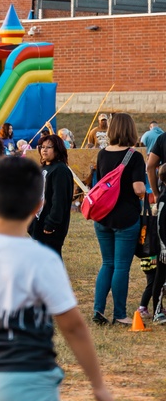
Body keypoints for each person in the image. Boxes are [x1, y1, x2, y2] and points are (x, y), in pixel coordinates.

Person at [0, 156, 117, 401]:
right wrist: (98, 385)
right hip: (27, 378)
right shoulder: (43, 259)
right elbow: (73, 326)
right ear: (38, 205)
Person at [91, 112, 144, 326]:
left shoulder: (102, 154)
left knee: (107, 263)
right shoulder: (135, 156)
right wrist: (141, 194)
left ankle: (98, 309)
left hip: (102, 216)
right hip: (126, 217)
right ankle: (120, 314)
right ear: (130, 130)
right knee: (122, 266)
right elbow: (138, 188)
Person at [31, 134, 74, 257]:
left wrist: (51, 222)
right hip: (38, 223)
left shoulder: (60, 170)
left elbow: (59, 200)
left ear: (57, 149)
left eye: (48, 147)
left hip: (50, 226)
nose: (44, 150)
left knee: (51, 260)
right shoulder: (44, 168)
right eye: (42, 147)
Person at [144, 131, 166, 323]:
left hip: (165, 200)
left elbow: (150, 166)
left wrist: (157, 193)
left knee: (163, 261)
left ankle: (158, 309)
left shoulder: (163, 138)